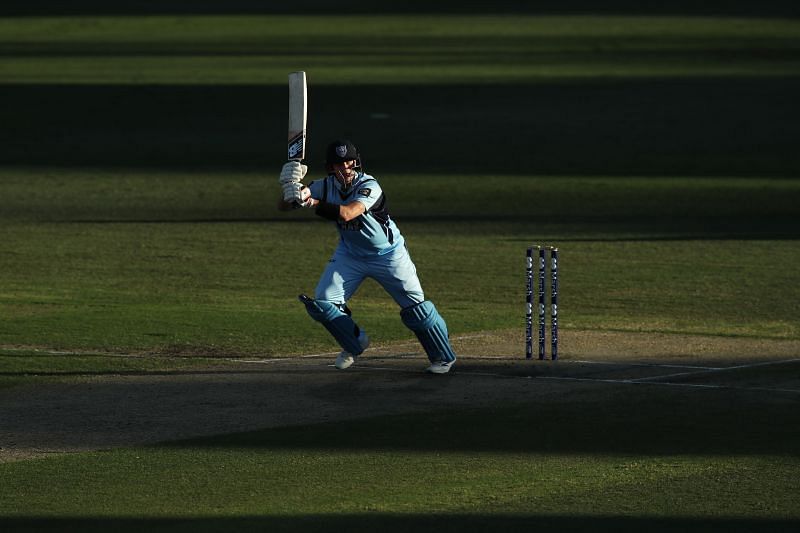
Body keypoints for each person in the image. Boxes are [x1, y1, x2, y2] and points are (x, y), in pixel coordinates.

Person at [277, 139, 457, 374]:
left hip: (389, 256)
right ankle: (354, 344)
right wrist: (290, 188)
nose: (345, 168)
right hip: (350, 255)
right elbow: (284, 206)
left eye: (348, 162)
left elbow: (349, 213)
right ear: (331, 167)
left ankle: (443, 357)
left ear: (356, 162)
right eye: (339, 164)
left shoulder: (370, 185)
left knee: (417, 309)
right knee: (324, 302)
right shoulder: (325, 185)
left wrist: (311, 201)